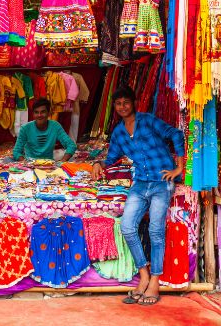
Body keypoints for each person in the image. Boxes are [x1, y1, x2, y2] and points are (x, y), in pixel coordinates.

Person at [92, 86, 185, 306]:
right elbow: (112, 157)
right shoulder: (119, 132)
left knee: (155, 229)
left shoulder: (148, 120)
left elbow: (176, 134)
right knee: (127, 227)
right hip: (141, 182)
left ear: (134, 103)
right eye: (118, 103)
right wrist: (98, 163)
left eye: (126, 102)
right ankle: (143, 273)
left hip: (162, 182)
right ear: (115, 107)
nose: (123, 106)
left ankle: (155, 279)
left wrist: (178, 168)